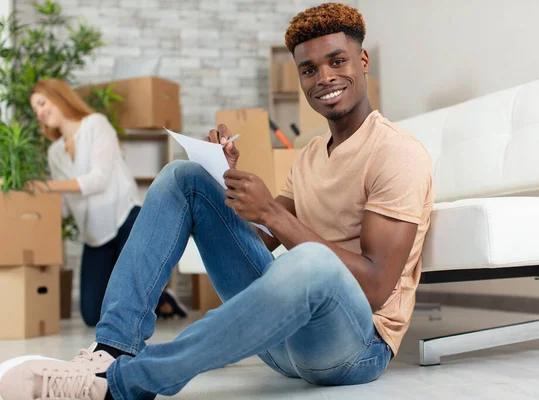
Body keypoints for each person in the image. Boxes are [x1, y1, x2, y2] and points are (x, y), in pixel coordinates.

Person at [0, 3, 434, 399]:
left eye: (337, 61)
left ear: (362, 62)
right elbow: (257, 240)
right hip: (282, 340)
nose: (324, 78)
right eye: (309, 69)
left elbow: (377, 288)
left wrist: (271, 212)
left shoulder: (396, 152)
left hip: (353, 349)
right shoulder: (311, 155)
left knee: (312, 262)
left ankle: (118, 388)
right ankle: (110, 351)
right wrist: (221, 177)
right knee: (183, 177)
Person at [26, 79, 187, 327]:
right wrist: (31, 213)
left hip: (124, 217)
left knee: (128, 305)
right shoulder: (54, 153)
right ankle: (151, 293)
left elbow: (98, 180)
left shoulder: (96, 125)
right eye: (36, 110)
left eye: (42, 103)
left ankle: (160, 296)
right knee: (92, 314)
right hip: (95, 233)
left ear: (59, 97)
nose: (40, 112)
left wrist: (46, 186)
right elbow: (66, 204)